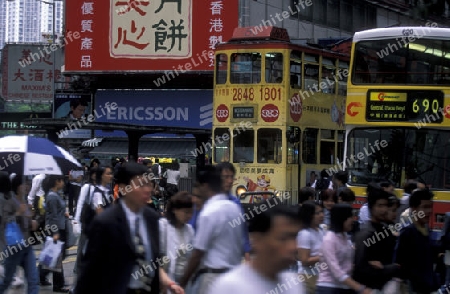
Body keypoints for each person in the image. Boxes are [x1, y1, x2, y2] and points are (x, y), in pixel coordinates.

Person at [75, 162, 184, 294]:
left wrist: (166, 280)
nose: (147, 189)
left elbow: (154, 261)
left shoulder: (153, 219)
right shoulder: (106, 222)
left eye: (148, 184)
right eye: (140, 185)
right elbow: (90, 272)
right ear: (123, 188)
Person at [209, 202, 305, 294]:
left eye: (294, 237)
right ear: (257, 239)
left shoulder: (294, 284)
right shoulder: (229, 287)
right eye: (283, 239)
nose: (293, 247)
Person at [179, 165, 243, 294]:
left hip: (213, 278)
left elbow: (197, 254)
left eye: (197, 185)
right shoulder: (235, 209)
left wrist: (182, 283)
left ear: (205, 186)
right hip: (235, 278)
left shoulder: (208, 212)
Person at [316, 203, 372, 294]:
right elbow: (336, 270)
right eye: (350, 217)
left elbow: (349, 263)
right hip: (329, 288)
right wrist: (359, 288)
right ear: (341, 218)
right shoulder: (329, 239)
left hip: (345, 287)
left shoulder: (345, 237)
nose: (353, 220)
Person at [352, 186, 400, 291]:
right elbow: (360, 268)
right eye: (380, 206)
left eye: (386, 206)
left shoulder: (387, 231)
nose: (384, 210)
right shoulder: (366, 233)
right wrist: (390, 268)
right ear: (371, 207)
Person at [394, 188, 441, 294]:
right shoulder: (408, 232)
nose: (429, 211)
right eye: (424, 207)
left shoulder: (426, 230)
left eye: (430, 207)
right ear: (414, 209)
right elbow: (399, 263)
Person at [0, 173, 39, 294]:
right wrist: (18, 214)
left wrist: (32, 222)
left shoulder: (25, 201)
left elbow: (27, 222)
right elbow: (4, 221)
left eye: (28, 184)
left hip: (27, 245)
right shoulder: (8, 200)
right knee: (7, 281)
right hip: (13, 247)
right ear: (17, 186)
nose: (27, 186)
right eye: (24, 184)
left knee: (33, 280)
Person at [39, 175, 70, 293]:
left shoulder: (56, 194)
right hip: (55, 229)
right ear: (57, 182)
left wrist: (64, 214)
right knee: (57, 257)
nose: (63, 183)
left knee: (54, 255)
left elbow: (57, 212)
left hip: (58, 227)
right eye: (62, 180)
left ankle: (41, 275)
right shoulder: (52, 196)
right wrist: (55, 232)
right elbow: (52, 216)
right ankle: (58, 285)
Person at [215, 162, 251, 261]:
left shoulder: (236, 202)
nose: (230, 181)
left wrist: (247, 256)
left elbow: (243, 230)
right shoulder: (208, 201)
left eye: (231, 177)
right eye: (226, 177)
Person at [159, 192, 194, 292]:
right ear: (175, 210)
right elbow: (156, 261)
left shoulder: (190, 230)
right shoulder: (163, 226)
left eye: (191, 212)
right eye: (186, 212)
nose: (189, 216)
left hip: (184, 285)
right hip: (167, 283)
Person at [72, 167, 97, 276]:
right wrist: (76, 221)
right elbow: (80, 203)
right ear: (92, 175)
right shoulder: (87, 187)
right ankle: (78, 272)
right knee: (82, 249)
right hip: (87, 223)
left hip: (96, 224)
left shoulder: (102, 188)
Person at [297, 201, 324, 294]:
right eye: (317, 213)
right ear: (309, 215)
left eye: (322, 212)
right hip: (308, 277)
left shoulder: (320, 230)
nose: (322, 215)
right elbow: (304, 261)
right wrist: (324, 256)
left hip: (319, 276)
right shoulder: (305, 234)